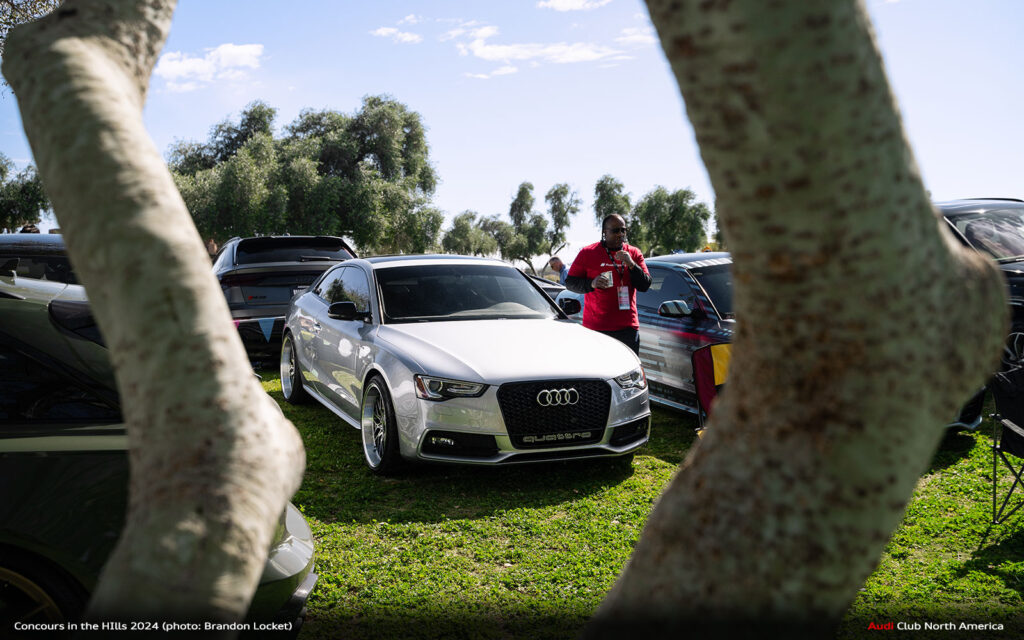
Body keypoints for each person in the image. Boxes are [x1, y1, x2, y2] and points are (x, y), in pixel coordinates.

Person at [565, 214, 651, 354]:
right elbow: (570, 283)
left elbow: (645, 285)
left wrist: (631, 264)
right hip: (596, 328)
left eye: (623, 230)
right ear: (604, 232)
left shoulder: (634, 253)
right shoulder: (588, 253)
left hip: (627, 328)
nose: (620, 234)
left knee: (628, 370)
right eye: (615, 230)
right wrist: (591, 283)